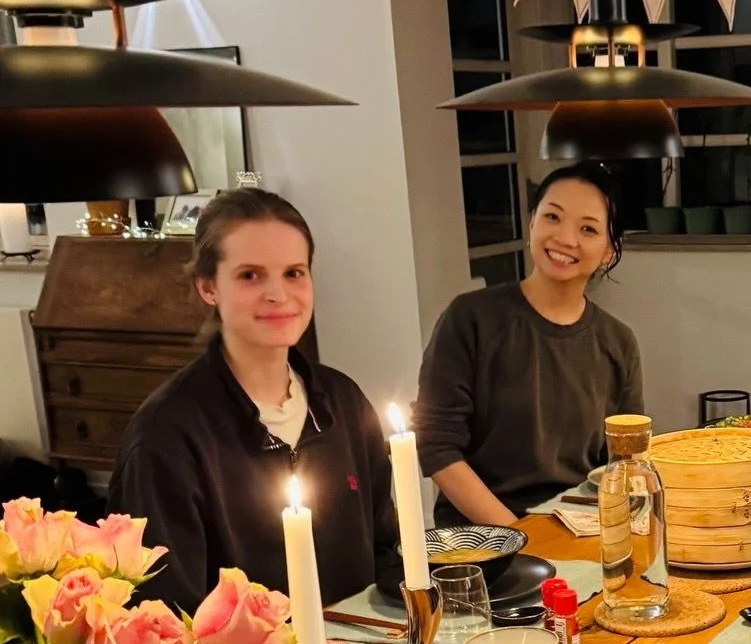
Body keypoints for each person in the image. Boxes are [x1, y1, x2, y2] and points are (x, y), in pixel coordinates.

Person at [109, 188, 402, 615]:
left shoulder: (343, 402)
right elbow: (165, 615)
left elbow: (385, 550)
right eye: (250, 275)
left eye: (294, 273)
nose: (278, 294)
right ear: (208, 287)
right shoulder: (166, 436)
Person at [414, 162, 643, 524]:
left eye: (587, 228)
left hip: (580, 528)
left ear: (609, 251)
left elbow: (624, 462)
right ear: (532, 222)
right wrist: (520, 535)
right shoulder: (471, 318)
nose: (566, 238)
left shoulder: (618, 341)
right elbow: (436, 445)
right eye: (553, 217)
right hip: (484, 536)